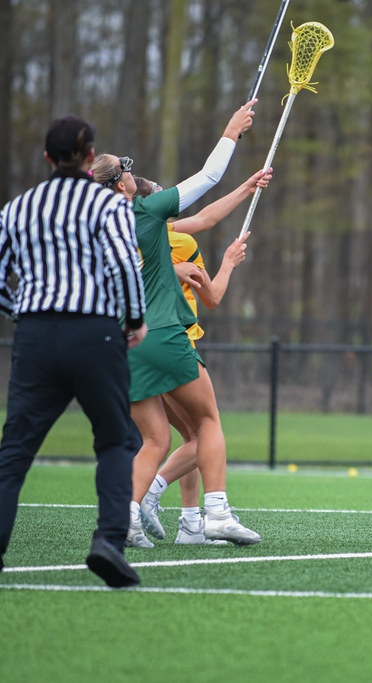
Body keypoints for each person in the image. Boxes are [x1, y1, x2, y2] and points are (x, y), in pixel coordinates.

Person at [91, 99, 262, 546]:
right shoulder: (145, 211)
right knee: (208, 422)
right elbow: (207, 178)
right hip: (163, 333)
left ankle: (123, 518)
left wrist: (245, 190)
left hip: (119, 346)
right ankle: (217, 513)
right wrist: (231, 130)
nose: (133, 173)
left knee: (154, 441)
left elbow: (196, 223)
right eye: (126, 170)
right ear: (120, 185)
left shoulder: (94, 230)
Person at [0, 116, 147, 587]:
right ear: (89, 159)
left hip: (36, 336)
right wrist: (135, 319)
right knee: (115, 438)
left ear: (46, 158)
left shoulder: (16, 209)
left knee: (15, 450)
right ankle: (108, 540)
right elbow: (125, 264)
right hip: (95, 333)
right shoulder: (106, 206)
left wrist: (22, 313)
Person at [133, 171, 267, 544]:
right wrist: (227, 264)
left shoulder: (126, 232)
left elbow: (207, 216)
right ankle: (153, 496)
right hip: (175, 342)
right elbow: (213, 297)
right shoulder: (174, 241)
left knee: (184, 435)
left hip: (137, 347)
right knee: (205, 429)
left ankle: (190, 523)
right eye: (158, 194)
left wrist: (247, 185)